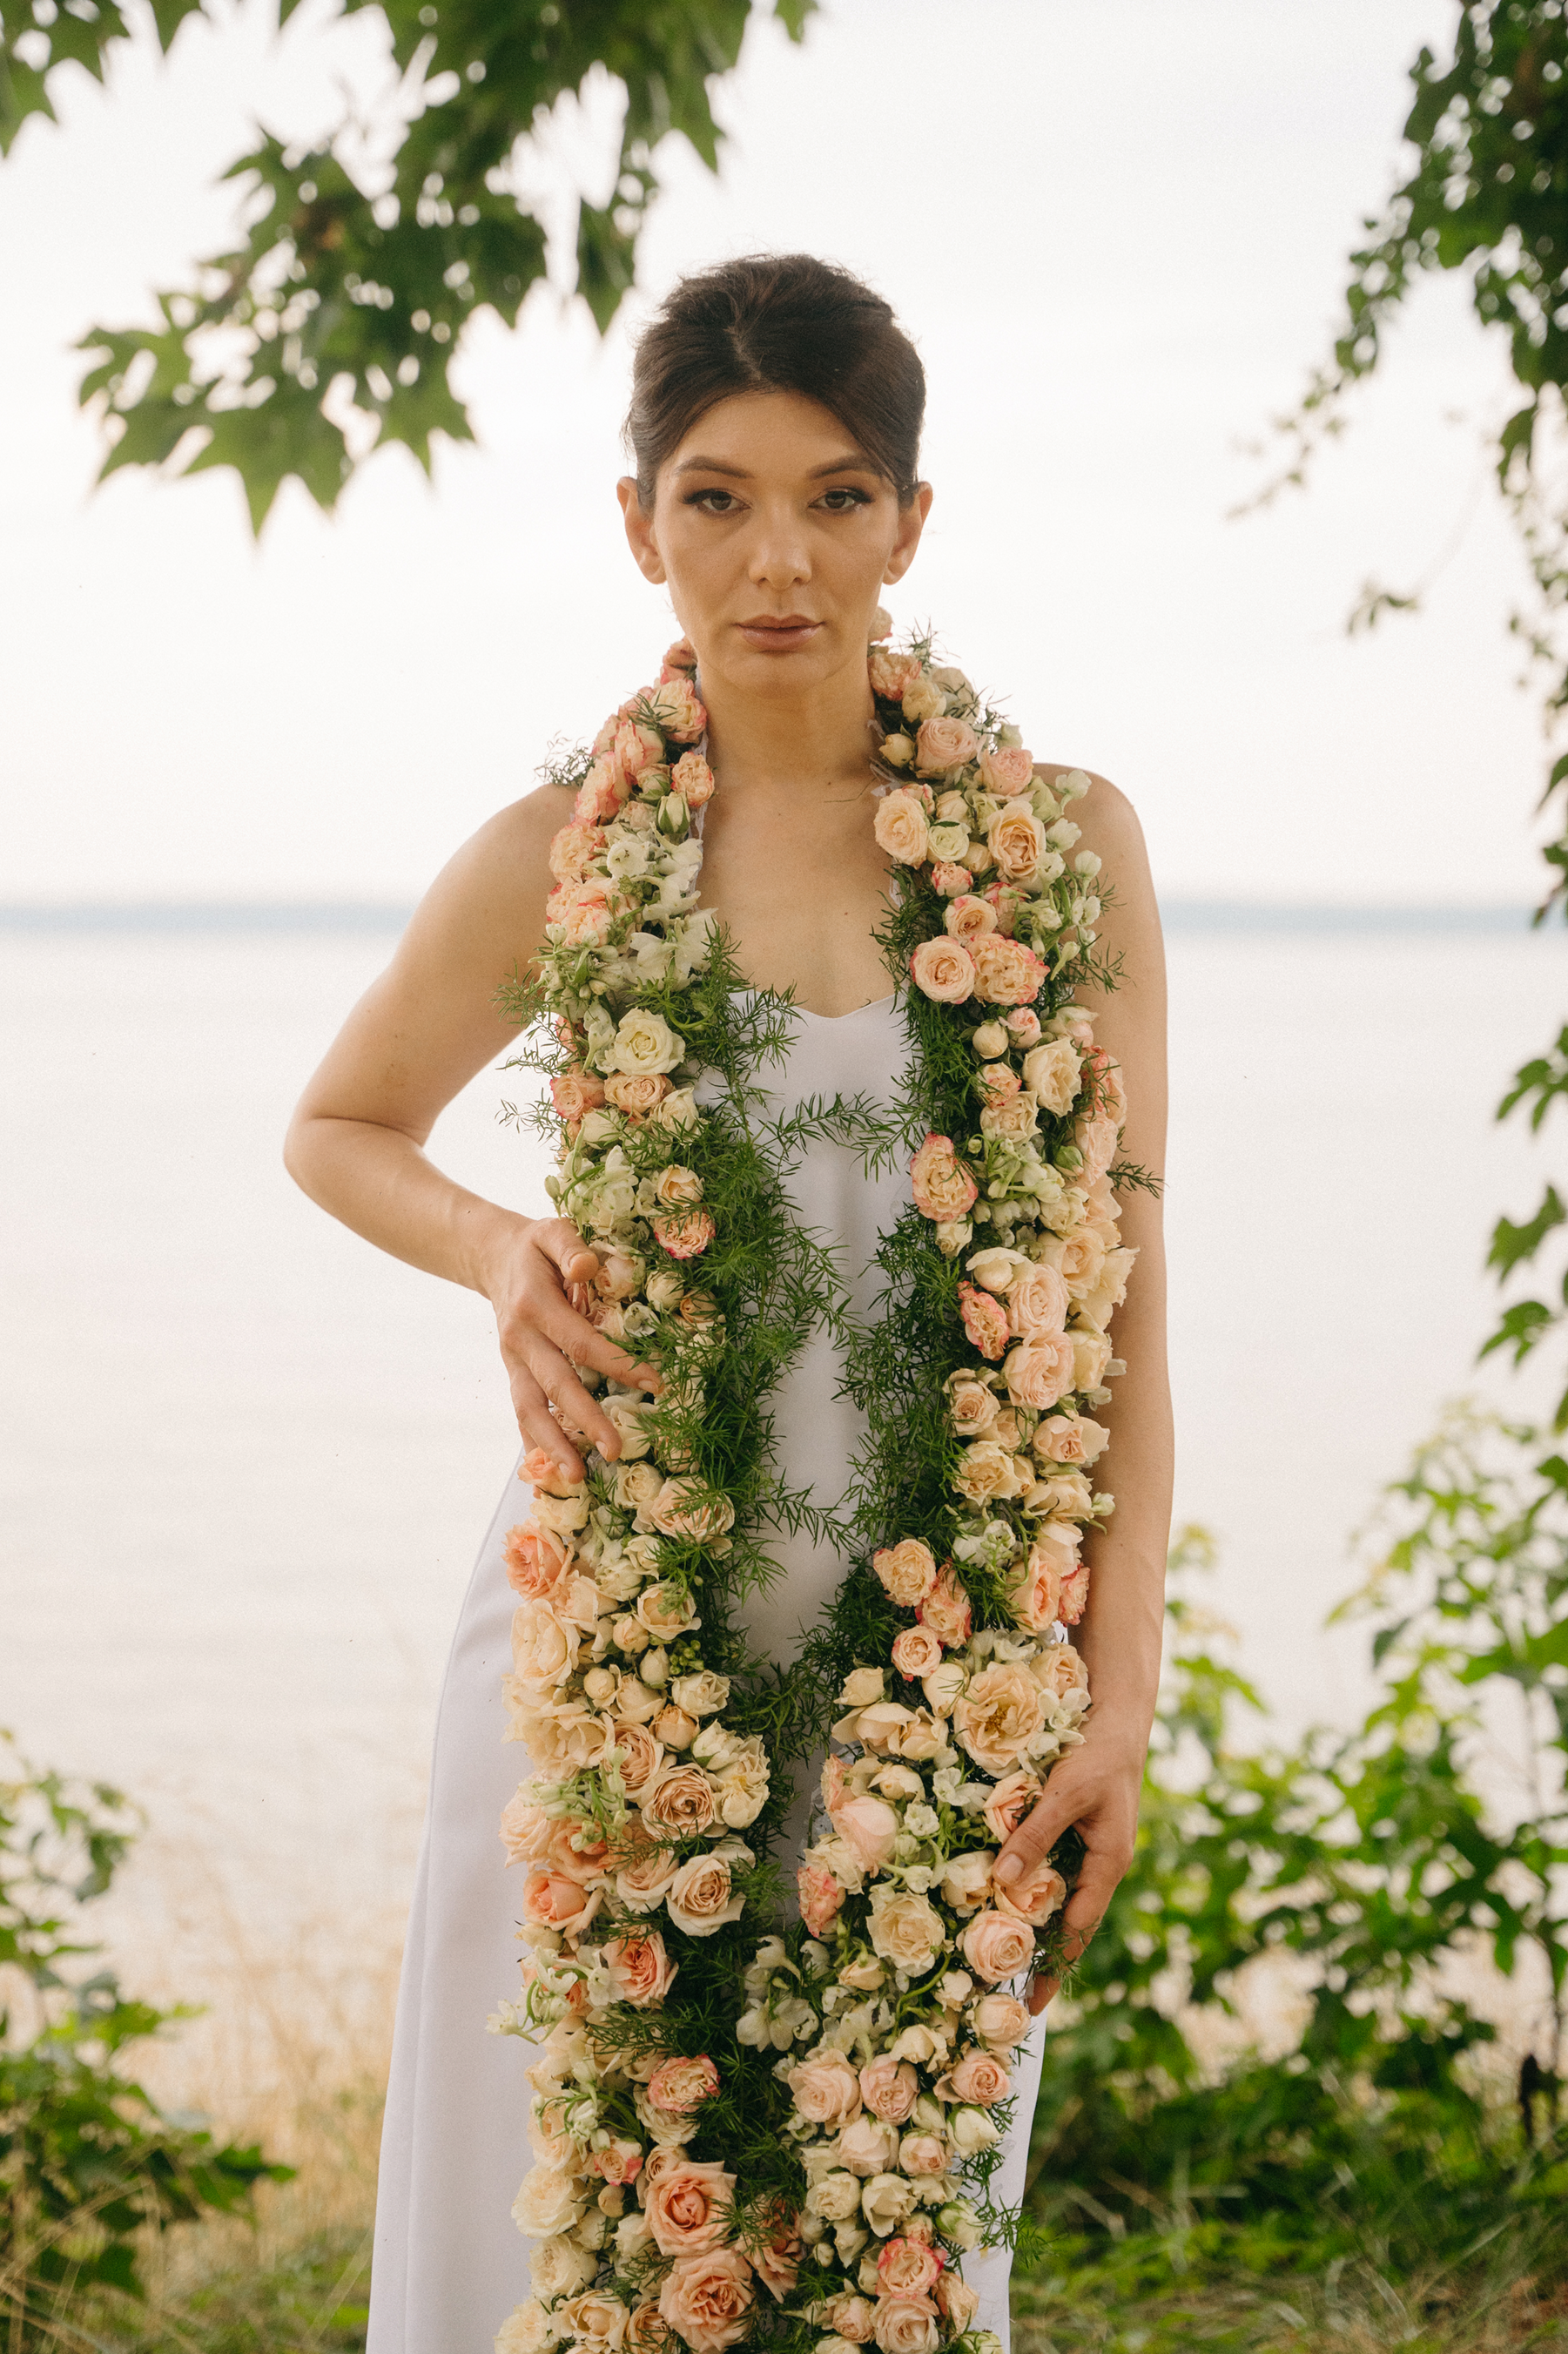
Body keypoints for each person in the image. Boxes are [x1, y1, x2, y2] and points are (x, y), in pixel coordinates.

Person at [285, 253, 1172, 2354]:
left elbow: (1131, 1299)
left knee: (889, 2255)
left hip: (943, 1688)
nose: (779, 559)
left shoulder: (1062, 851)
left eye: (837, 496)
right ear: (640, 525)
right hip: (608, 1673)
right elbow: (338, 1126)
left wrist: (1117, 1691)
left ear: (911, 525)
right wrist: (497, 1247)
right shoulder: (557, 855)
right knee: (567, 2255)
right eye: (718, 497)